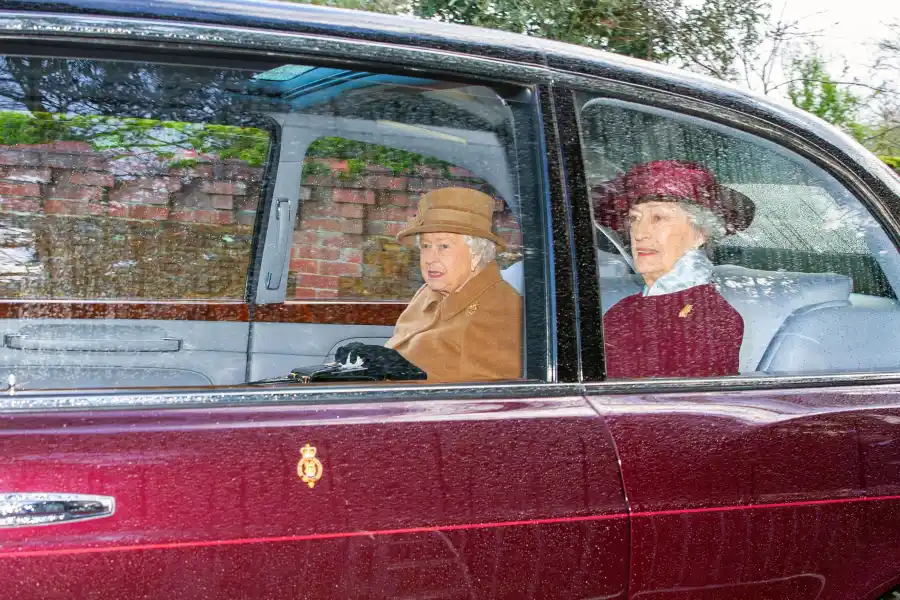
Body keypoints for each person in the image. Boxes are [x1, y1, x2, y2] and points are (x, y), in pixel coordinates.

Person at [336, 187, 523, 382]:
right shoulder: (429, 292)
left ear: (476, 252)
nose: (430, 259)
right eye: (426, 246)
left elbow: (493, 398)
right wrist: (367, 360)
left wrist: (409, 373)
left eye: (444, 246)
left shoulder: (502, 308)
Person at [593, 160, 755, 378]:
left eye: (658, 218)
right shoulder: (623, 309)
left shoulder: (709, 319)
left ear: (700, 233)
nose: (639, 233)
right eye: (634, 219)